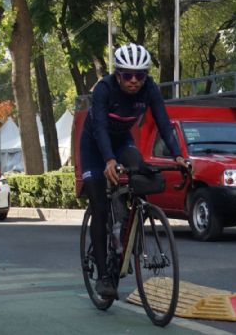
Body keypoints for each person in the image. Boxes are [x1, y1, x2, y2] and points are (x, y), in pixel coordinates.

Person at [80, 43, 188, 299]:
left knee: (142, 172)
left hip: (122, 141)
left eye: (139, 75)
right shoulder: (104, 89)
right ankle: (104, 276)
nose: (133, 81)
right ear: (117, 74)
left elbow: (163, 122)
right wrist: (108, 160)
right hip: (95, 146)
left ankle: (126, 228)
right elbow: (100, 130)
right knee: (99, 207)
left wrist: (178, 155)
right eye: (127, 75)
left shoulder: (149, 88)